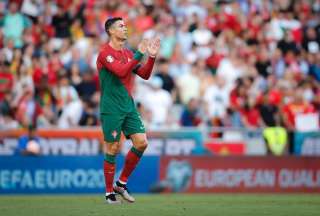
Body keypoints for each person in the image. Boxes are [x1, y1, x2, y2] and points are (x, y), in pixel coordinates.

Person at [96, 17, 160, 204]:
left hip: (128, 107)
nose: (125, 29)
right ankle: (109, 193)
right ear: (110, 31)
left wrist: (152, 56)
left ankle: (121, 183)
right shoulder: (105, 54)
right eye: (120, 26)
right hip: (111, 108)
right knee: (113, 148)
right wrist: (139, 54)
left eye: (125, 26)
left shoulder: (127, 52)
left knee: (141, 142)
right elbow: (121, 71)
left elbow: (145, 75)